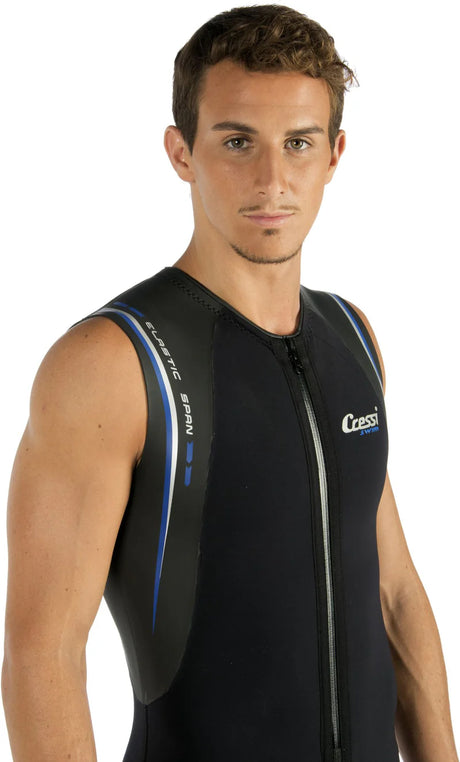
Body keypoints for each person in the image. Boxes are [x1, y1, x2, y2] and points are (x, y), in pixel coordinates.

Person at [1, 4, 458, 761]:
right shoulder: (112, 363)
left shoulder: (353, 337)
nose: (272, 180)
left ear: (335, 154)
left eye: (298, 143)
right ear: (181, 152)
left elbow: (394, 592)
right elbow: (42, 653)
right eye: (238, 141)